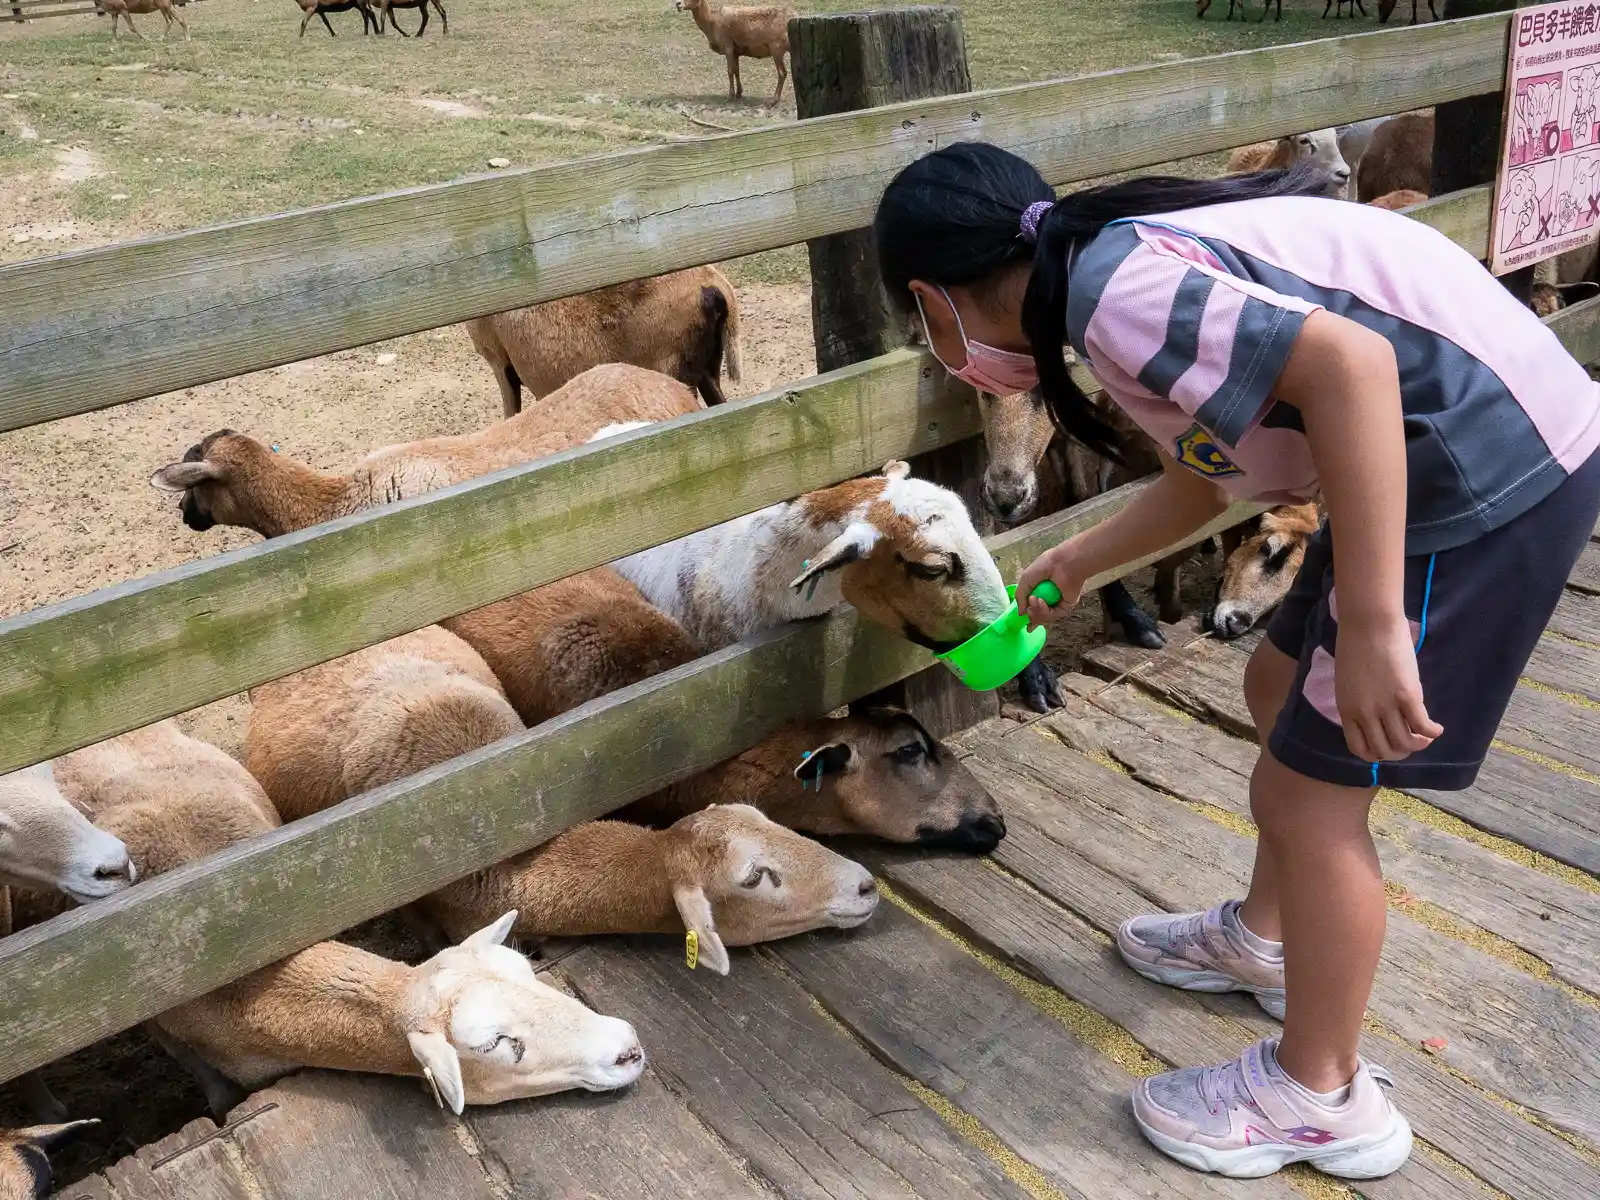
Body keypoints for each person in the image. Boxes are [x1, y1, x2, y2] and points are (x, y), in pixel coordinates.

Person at [873, 142, 1600, 1181]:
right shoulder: (1102, 276)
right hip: (1423, 456)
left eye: (921, 329)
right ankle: (1266, 939)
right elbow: (1209, 477)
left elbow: (1353, 368)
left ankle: (1320, 1096)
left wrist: (1376, 622)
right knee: (1271, 685)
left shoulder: (1118, 293)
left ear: (931, 300)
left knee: (1311, 803)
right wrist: (1075, 561)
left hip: (1480, 474)